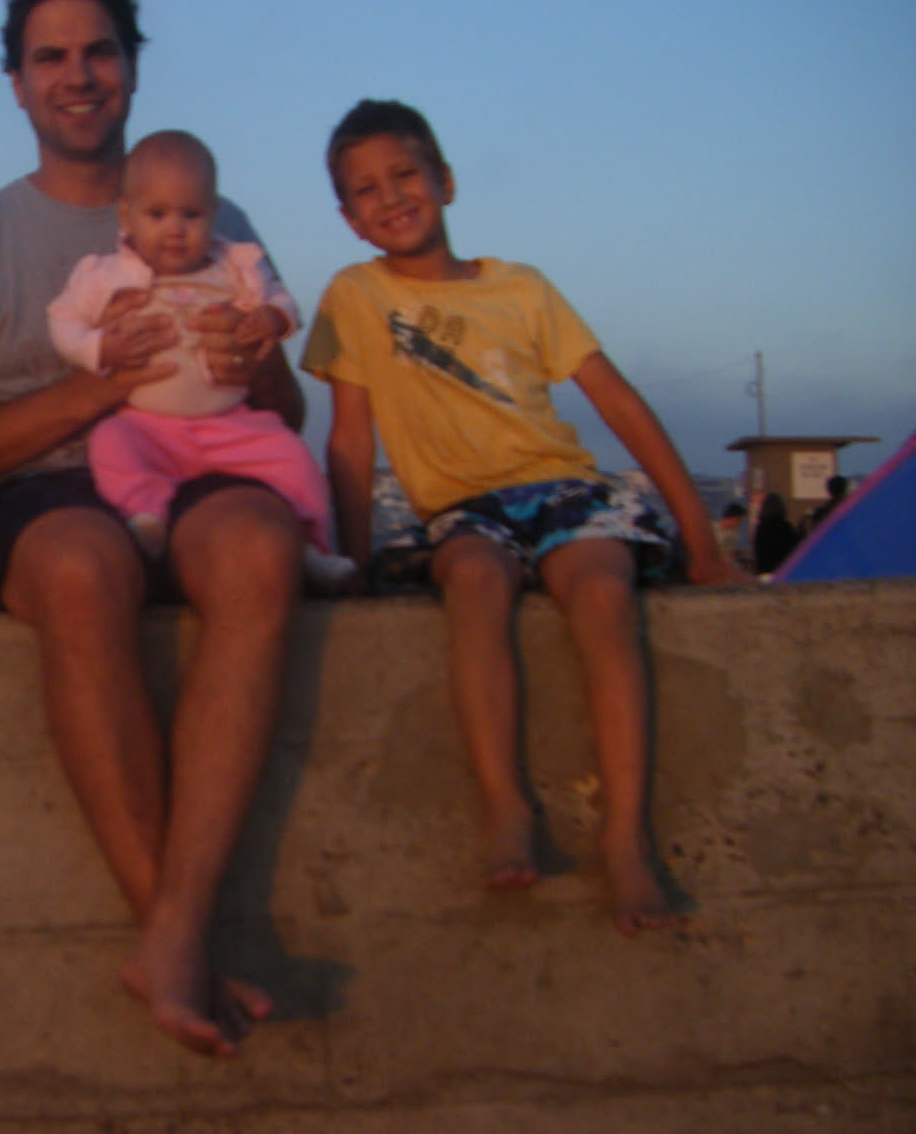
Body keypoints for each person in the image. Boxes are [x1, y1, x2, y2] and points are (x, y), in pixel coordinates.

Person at [0, 0, 306, 1057]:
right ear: (17, 83)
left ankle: (172, 937)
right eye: (51, 58)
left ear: (132, 66)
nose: (77, 75)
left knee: (261, 550)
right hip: (46, 492)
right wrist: (93, 389)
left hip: (203, 462)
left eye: (99, 52)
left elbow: (285, 412)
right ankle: (176, 937)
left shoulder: (216, 217)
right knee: (85, 570)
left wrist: (255, 355)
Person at [301, 99, 750, 936]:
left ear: (445, 181)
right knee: (474, 579)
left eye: (405, 174)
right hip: (461, 509)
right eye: (366, 190)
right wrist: (354, 564)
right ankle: (507, 806)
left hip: (560, 486)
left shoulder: (523, 287)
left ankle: (624, 836)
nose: (390, 197)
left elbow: (618, 403)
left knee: (602, 591)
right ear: (349, 218)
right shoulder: (354, 296)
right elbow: (350, 442)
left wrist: (700, 539)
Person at [47, 129, 354, 587]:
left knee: (293, 458)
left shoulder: (236, 265)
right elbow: (62, 318)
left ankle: (314, 545)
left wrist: (271, 319)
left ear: (213, 214)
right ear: (126, 215)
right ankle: (146, 516)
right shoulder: (105, 275)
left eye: (191, 215)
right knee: (110, 442)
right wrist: (98, 348)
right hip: (147, 425)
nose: (175, 229)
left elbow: (282, 300)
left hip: (230, 424)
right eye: (157, 214)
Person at [754, 491, 800, 574]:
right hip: (784, 571)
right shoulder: (786, 527)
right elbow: (794, 550)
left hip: (765, 572)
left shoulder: (761, 528)